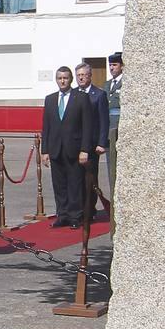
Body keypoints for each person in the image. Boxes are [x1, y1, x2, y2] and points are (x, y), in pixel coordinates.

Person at [40, 66, 96, 227]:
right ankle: (62, 214)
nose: (62, 81)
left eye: (65, 78)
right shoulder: (50, 99)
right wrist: (45, 150)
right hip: (56, 148)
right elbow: (47, 126)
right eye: (59, 78)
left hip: (75, 148)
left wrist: (85, 149)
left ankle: (75, 216)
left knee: (74, 183)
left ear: (70, 79)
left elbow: (87, 126)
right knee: (59, 185)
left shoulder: (80, 98)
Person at [75, 61, 111, 215]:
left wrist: (102, 143)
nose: (81, 78)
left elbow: (104, 120)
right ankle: (78, 209)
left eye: (83, 75)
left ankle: (90, 210)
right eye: (78, 76)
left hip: (92, 144)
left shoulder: (99, 94)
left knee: (90, 178)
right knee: (76, 179)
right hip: (76, 143)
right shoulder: (73, 94)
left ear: (90, 76)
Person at [105, 52, 124, 198]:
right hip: (109, 131)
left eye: (115, 65)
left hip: (120, 130)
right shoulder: (107, 84)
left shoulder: (125, 84)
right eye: (110, 65)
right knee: (111, 168)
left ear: (122, 66)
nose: (112, 68)